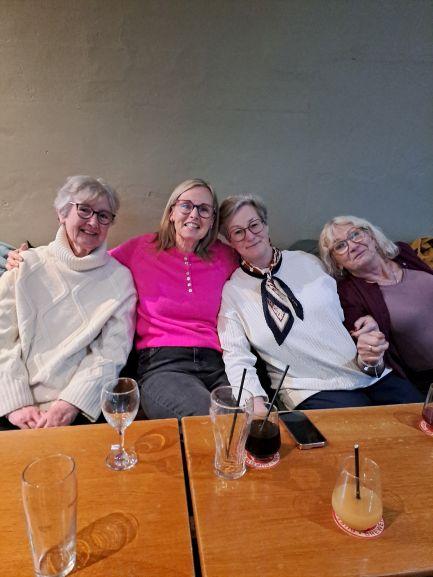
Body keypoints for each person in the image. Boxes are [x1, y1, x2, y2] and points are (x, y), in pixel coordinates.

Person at [217, 195, 423, 410]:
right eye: (238, 232)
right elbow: (237, 357)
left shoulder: (309, 261)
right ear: (230, 241)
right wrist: (254, 405)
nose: (250, 236)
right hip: (310, 389)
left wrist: (370, 325)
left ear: (266, 225)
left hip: (369, 372)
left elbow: (352, 304)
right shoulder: (233, 292)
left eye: (254, 225)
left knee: (420, 418)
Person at [0, 176, 136, 429]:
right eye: (84, 210)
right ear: (62, 213)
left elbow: (111, 353)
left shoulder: (119, 280)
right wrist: (15, 403)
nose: (93, 222)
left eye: (104, 215)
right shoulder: (25, 264)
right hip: (12, 406)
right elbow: (2, 339)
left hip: (76, 409)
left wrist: (70, 404)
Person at [109, 179, 238, 418]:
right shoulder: (141, 248)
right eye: (186, 206)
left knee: (247, 420)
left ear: (212, 221)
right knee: (215, 420)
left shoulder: (225, 256)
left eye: (204, 209)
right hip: (164, 366)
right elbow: (91, 264)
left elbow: (260, 262)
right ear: (171, 212)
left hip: (218, 365)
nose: (194, 214)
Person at [319, 215, 433, 392]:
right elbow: (369, 357)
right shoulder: (348, 294)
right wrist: (370, 355)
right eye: (340, 246)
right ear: (336, 263)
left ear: (371, 236)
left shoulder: (403, 253)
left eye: (355, 234)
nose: (353, 246)